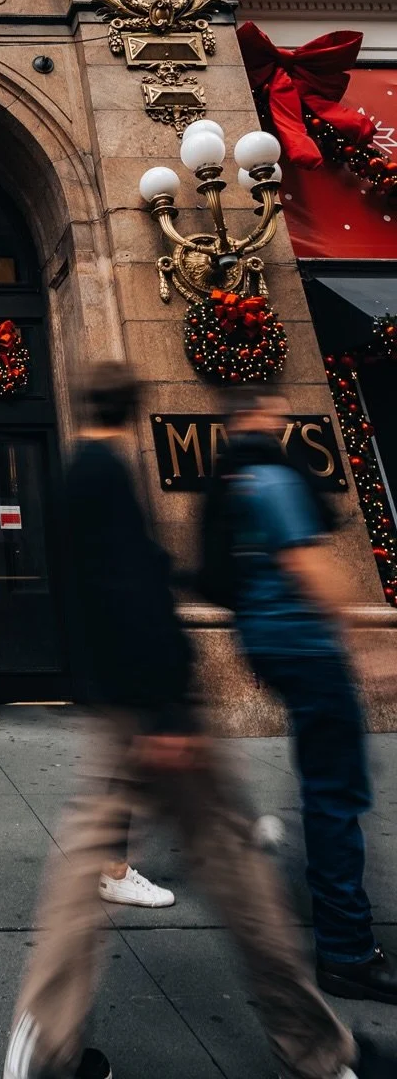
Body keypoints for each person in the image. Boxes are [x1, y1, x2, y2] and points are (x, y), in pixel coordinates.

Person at [4, 363, 393, 1079]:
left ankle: (46, 1046)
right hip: (157, 708)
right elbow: (127, 589)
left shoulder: (76, 474)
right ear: (131, 410)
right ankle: (320, 1049)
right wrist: (167, 711)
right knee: (236, 873)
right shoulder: (108, 474)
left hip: (128, 701)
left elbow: (103, 588)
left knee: (119, 862)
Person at [201, 386, 397, 1004]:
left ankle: (332, 919)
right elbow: (307, 565)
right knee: (337, 792)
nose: (283, 422)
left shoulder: (232, 480)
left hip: (272, 641)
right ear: (253, 415)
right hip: (308, 648)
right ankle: (346, 949)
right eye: (274, 412)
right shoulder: (272, 478)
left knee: (325, 783)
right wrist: (367, 643)